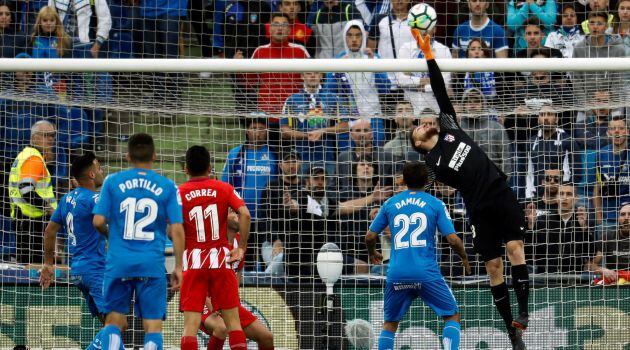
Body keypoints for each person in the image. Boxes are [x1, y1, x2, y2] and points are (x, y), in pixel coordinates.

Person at [409, 32, 529, 349]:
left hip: (499, 191)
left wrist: (428, 55)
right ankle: (511, 332)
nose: (423, 122)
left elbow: (438, 88)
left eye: (422, 121)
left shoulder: (449, 126)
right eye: (417, 127)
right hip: (478, 207)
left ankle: (524, 312)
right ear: (418, 144)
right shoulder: (431, 165)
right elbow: (419, 183)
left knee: (516, 249)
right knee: (493, 267)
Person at [86, 133, 185, 350]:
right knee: (153, 326)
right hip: (151, 264)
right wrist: (179, 266)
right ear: (155, 156)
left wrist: (109, 235)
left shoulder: (112, 181)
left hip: (119, 262)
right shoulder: (168, 186)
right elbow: (177, 228)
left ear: (127, 156)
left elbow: (98, 221)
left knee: (114, 322)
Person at [365, 161, 471, 350]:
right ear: (428, 181)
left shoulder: (390, 203)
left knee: (390, 324)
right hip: (426, 273)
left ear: (403, 180)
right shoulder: (435, 203)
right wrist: (464, 258)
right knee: (452, 316)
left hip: (397, 273)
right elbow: (453, 240)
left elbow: (370, 236)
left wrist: (373, 252)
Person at [178, 145, 252, 350]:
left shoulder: (179, 193)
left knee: (190, 329)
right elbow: (245, 214)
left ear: (186, 169)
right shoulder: (224, 187)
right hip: (220, 260)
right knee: (233, 325)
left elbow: (171, 228)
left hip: (193, 262)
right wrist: (242, 247)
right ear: (210, 167)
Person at [40, 152, 106, 321]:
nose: (102, 171)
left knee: (108, 325)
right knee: (116, 324)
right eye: (99, 168)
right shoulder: (94, 199)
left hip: (77, 271)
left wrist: (48, 264)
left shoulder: (67, 199)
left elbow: (49, 232)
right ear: (92, 174)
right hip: (95, 269)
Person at [200, 211, 275, 350]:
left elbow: (237, 273)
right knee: (221, 328)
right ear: (222, 215)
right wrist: (210, 304)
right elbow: (197, 278)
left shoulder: (240, 242)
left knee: (266, 337)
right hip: (203, 300)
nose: (238, 216)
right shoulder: (210, 242)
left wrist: (234, 301)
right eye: (233, 212)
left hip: (226, 302)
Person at [8, 120, 58, 264]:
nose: (50, 139)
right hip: (32, 222)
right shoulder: (34, 158)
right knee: (35, 271)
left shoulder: (25, 154)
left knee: (27, 268)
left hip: (23, 220)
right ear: (35, 137)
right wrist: (49, 209)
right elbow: (26, 189)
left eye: (52, 136)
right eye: (46, 135)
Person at [281, 71, 349, 172]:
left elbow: (345, 126)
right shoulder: (291, 100)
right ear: (302, 76)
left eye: (316, 73)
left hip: (327, 157)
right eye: (308, 73)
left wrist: (322, 131)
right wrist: (306, 135)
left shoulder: (333, 98)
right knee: (303, 187)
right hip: (301, 159)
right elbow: (284, 131)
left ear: (321, 75)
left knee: (327, 187)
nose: (312, 75)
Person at [247, 12, 310, 116]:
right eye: (276, 24)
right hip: (266, 112)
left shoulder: (300, 51)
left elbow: (313, 77)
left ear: (289, 30)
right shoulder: (260, 51)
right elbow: (249, 82)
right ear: (270, 29)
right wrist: (237, 67)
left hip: (296, 113)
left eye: (284, 25)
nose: (280, 28)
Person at [528, 183, 592, 276]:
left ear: (576, 198)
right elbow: (529, 254)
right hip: (545, 279)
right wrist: (530, 226)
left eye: (569, 194)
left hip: (574, 280)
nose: (564, 197)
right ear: (556, 198)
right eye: (561, 194)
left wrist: (584, 229)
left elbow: (591, 254)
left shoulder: (582, 221)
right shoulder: (543, 221)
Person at [395, 22, 451, 116]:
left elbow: (445, 83)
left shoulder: (443, 50)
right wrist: (427, 81)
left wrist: (423, 87)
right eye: (421, 27)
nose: (424, 30)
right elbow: (400, 79)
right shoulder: (405, 48)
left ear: (435, 29)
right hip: (410, 109)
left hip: (435, 108)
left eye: (427, 27)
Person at [524, 105, 579, 199]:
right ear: (538, 119)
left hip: (561, 197)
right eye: (542, 114)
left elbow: (577, 171)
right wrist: (529, 196)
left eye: (549, 114)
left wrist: (566, 192)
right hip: (537, 196)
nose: (545, 118)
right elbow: (528, 172)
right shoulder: (531, 142)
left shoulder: (567, 140)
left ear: (557, 119)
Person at [572, 11, 626, 104]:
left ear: (606, 26)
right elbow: (575, 81)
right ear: (588, 25)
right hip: (586, 105)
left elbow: (619, 80)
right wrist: (587, 105)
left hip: (613, 103)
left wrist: (609, 99)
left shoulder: (618, 49)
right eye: (592, 23)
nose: (595, 27)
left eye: (599, 23)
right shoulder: (578, 48)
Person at [594, 117, 629, 225]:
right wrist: (599, 219)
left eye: (621, 128)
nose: (617, 131)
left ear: (627, 131)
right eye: (613, 128)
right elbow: (597, 190)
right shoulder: (601, 154)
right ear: (609, 132)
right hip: (608, 216)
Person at [47, 0, 111, 58]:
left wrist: (97, 45)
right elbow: (48, 18)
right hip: (61, 46)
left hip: (86, 46)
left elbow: (105, 20)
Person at [586, 203, 630, 284]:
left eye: (629, 214)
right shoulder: (607, 237)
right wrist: (602, 270)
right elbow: (590, 265)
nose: (626, 218)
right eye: (623, 214)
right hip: (613, 282)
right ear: (618, 218)